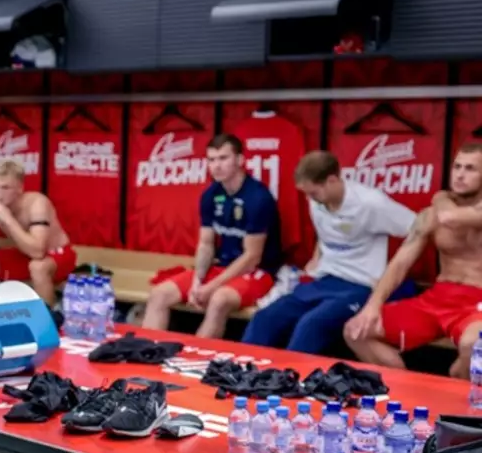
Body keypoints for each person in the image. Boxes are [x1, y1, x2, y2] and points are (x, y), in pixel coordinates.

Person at [242, 151, 416, 354]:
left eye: (313, 193)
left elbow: (419, 227)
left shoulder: (370, 203)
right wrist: (316, 258)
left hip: (360, 285)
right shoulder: (317, 201)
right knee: (265, 318)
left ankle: (290, 373)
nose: (309, 198)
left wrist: (393, 271)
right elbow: (330, 230)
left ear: (332, 180)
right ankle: (239, 368)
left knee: (311, 325)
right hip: (325, 280)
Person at [345, 144, 482, 379]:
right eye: (457, 167)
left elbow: (451, 218)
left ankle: (456, 388)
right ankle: (403, 388)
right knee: (356, 330)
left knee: (475, 345)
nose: (460, 175)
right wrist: (372, 306)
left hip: (477, 302)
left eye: (470, 169)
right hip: (440, 297)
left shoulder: (443, 211)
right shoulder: (431, 215)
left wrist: (440, 199)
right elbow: (400, 263)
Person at [141, 133, 281, 339]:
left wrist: (210, 287)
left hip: (257, 272)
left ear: (240, 160)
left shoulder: (258, 198)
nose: (216, 166)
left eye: (223, 158)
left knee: (218, 300)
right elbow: (206, 244)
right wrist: (198, 281)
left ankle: (195, 357)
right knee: (159, 294)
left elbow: (252, 257)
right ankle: (144, 352)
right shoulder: (210, 195)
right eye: (211, 160)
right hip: (221, 267)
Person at [0, 159, 77, 307]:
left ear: (19, 188)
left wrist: (7, 219)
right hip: (24, 254)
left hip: (56, 254)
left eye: (5, 188)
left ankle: (48, 315)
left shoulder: (37, 203)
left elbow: (38, 251)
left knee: (38, 267)